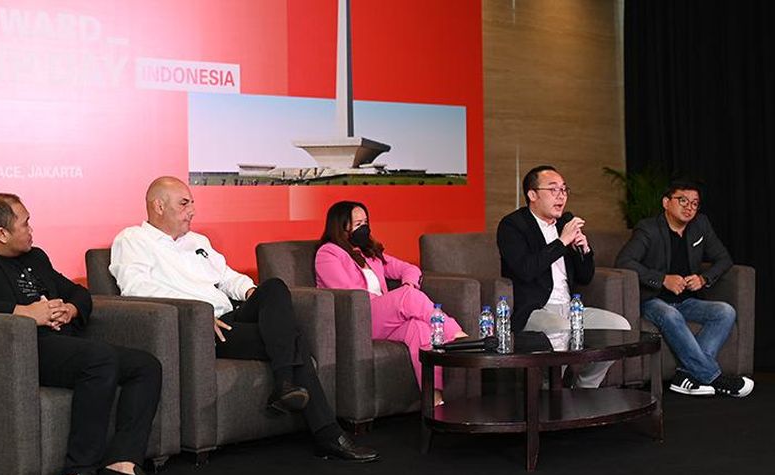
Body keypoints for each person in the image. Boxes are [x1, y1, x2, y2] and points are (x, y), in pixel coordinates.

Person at [109, 176, 378, 463]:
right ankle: (325, 432)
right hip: (198, 328)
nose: (192, 211)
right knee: (294, 339)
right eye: (184, 204)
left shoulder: (197, 241)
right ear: (159, 206)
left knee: (273, 287)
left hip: (229, 315)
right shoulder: (133, 240)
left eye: (192, 204)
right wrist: (194, 312)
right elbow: (136, 288)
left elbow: (227, 277)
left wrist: (250, 291)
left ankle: (286, 386)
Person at [0, 194, 176, 475]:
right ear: (2, 233)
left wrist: (71, 309)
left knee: (145, 365)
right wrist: (23, 313)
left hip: (64, 342)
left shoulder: (35, 257)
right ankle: (76, 472)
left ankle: (122, 465)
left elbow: (78, 292)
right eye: (25, 224)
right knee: (99, 359)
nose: (31, 230)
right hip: (19, 349)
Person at [314, 201, 467, 406]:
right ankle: (456, 336)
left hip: (381, 319)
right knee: (407, 297)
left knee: (419, 328)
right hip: (357, 319)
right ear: (341, 227)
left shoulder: (370, 254)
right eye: (358, 224)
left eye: (366, 222)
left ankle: (434, 400)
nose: (364, 228)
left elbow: (410, 269)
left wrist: (408, 284)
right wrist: (392, 302)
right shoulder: (328, 253)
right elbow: (347, 293)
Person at [615, 181, 753, 397]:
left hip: (687, 300)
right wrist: (662, 279)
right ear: (666, 202)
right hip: (653, 300)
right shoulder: (648, 228)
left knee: (725, 311)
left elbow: (724, 259)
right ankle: (714, 378)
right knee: (670, 314)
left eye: (695, 203)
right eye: (683, 201)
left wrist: (703, 279)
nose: (689, 207)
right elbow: (624, 262)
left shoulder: (700, 225)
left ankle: (685, 375)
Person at [497, 165, 630, 388]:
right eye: (553, 189)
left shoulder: (564, 224)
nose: (561, 196)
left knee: (619, 328)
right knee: (560, 327)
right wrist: (561, 242)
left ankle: (585, 387)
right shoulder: (513, 225)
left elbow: (586, 278)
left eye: (564, 189)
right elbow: (525, 270)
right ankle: (551, 393)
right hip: (534, 310)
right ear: (532, 195)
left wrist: (584, 250)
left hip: (571, 309)